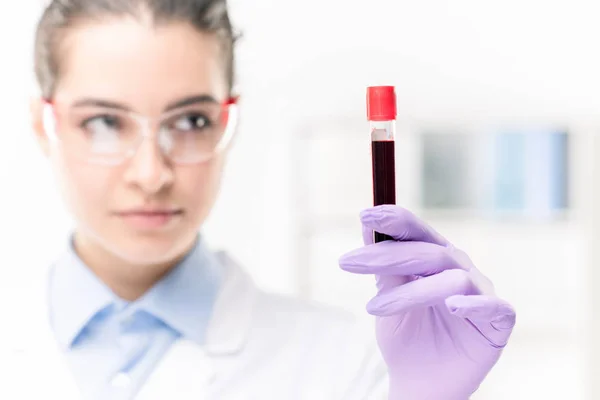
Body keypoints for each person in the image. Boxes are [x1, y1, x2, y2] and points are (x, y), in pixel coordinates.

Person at [2, 0, 516, 398]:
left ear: (229, 120)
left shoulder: (346, 366)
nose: (151, 174)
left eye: (191, 121)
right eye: (105, 122)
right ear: (42, 126)